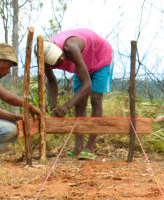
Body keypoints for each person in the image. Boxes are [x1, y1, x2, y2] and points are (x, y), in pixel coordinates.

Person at [42, 29, 113, 160]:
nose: (62, 61)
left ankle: (89, 147)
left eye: (61, 58)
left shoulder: (70, 48)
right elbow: (51, 80)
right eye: (58, 63)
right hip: (82, 63)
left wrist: (66, 106)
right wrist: (54, 106)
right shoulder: (44, 57)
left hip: (100, 58)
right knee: (79, 103)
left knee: (95, 99)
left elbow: (87, 84)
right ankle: (78, 147)